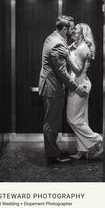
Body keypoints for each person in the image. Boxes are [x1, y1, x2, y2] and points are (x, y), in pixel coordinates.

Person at [38, 16, 88, 164]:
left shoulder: (52, 37)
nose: (72, 32)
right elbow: (62, 72)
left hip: (48, 85)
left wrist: (69, 48)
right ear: (65, 29)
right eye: (71, 29)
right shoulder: (57, 44)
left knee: (51, 122)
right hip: (52, 89)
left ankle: (53, 150)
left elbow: (63, 51)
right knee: (51, 124)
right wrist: (76, 88)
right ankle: (53, 156)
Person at [58, 23, 103, 159]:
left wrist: (67, 56)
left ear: (82, 33)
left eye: (76, 29)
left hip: (80, 85)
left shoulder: (83, 49)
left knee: (72, 119)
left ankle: (98, 139)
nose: (73, 31)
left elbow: (77, 71)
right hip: (79, 84)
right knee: (81, 119)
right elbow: (73, 54)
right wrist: (70, 49)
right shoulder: (78, 46)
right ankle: (82, 151)